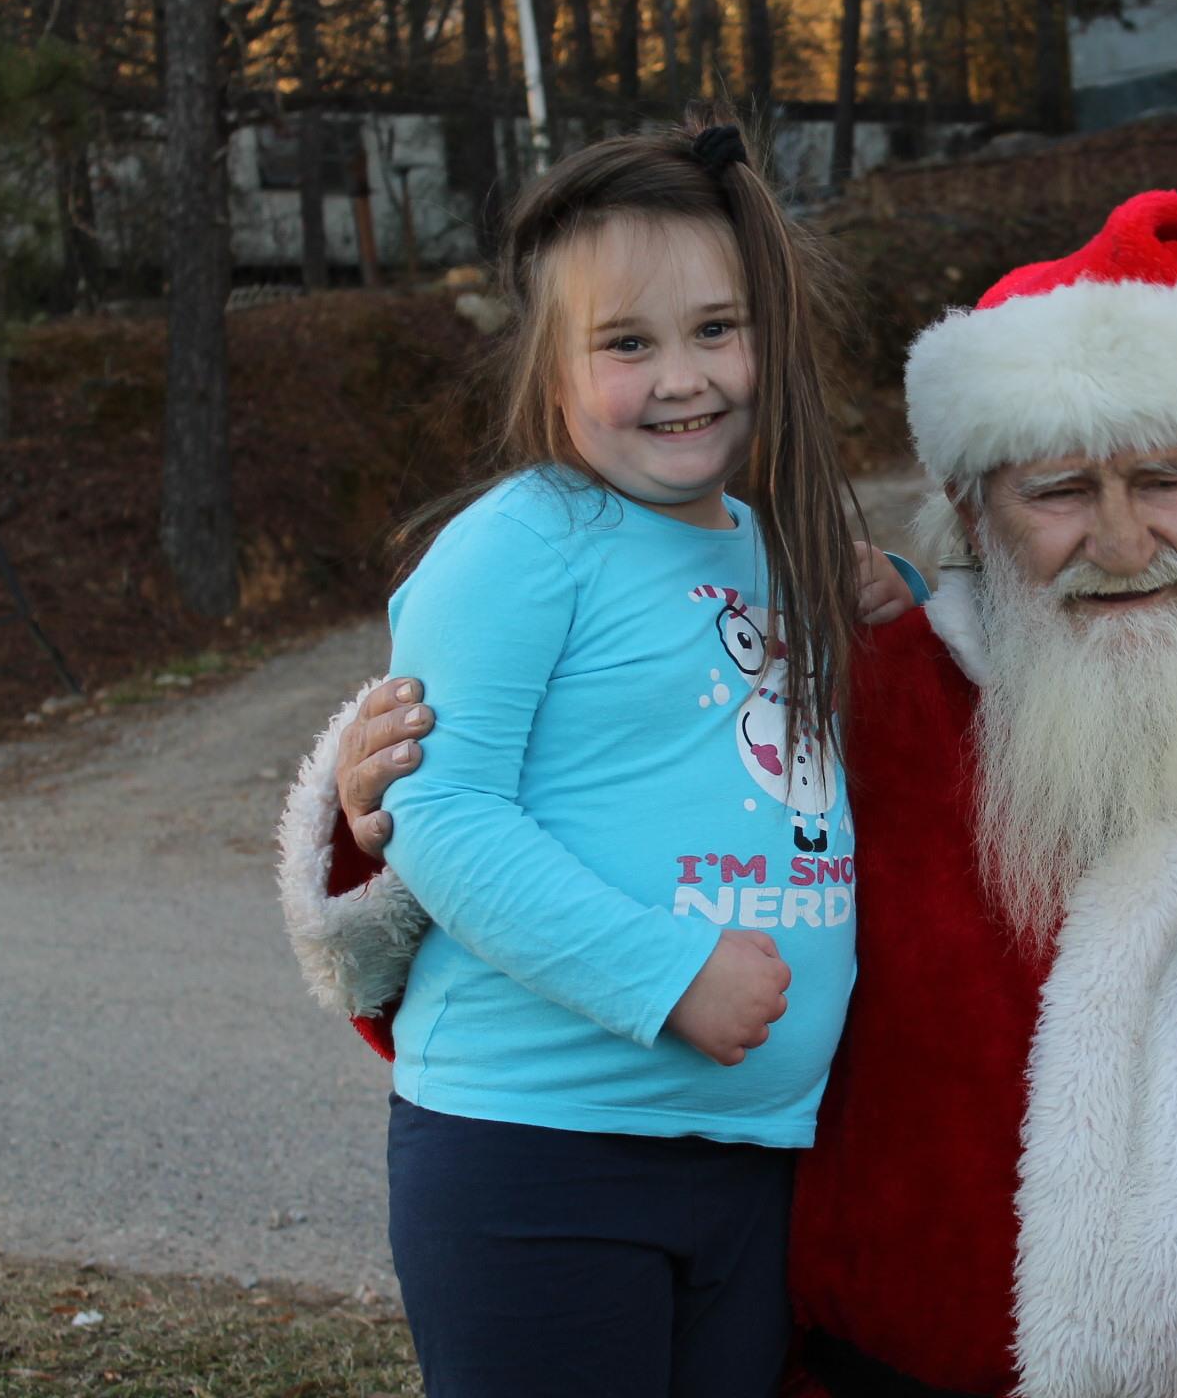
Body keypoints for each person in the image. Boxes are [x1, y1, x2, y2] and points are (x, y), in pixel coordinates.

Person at [283, 190, 1177, 1398]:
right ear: (972, 510)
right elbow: (552, 874)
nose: (1120, 540)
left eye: (1166, 480)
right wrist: (380, 816)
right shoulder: (835, 703)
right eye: (1056, 491)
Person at [308, 118, 917, 1398]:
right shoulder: (522, 547)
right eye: (628, 343)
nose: (684, 376)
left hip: (749, 1154)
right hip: (539, 1149)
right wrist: (667, 972)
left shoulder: (775, 544)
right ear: (552, 365)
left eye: (715, 328)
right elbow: (446, 810)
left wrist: (896, 591)